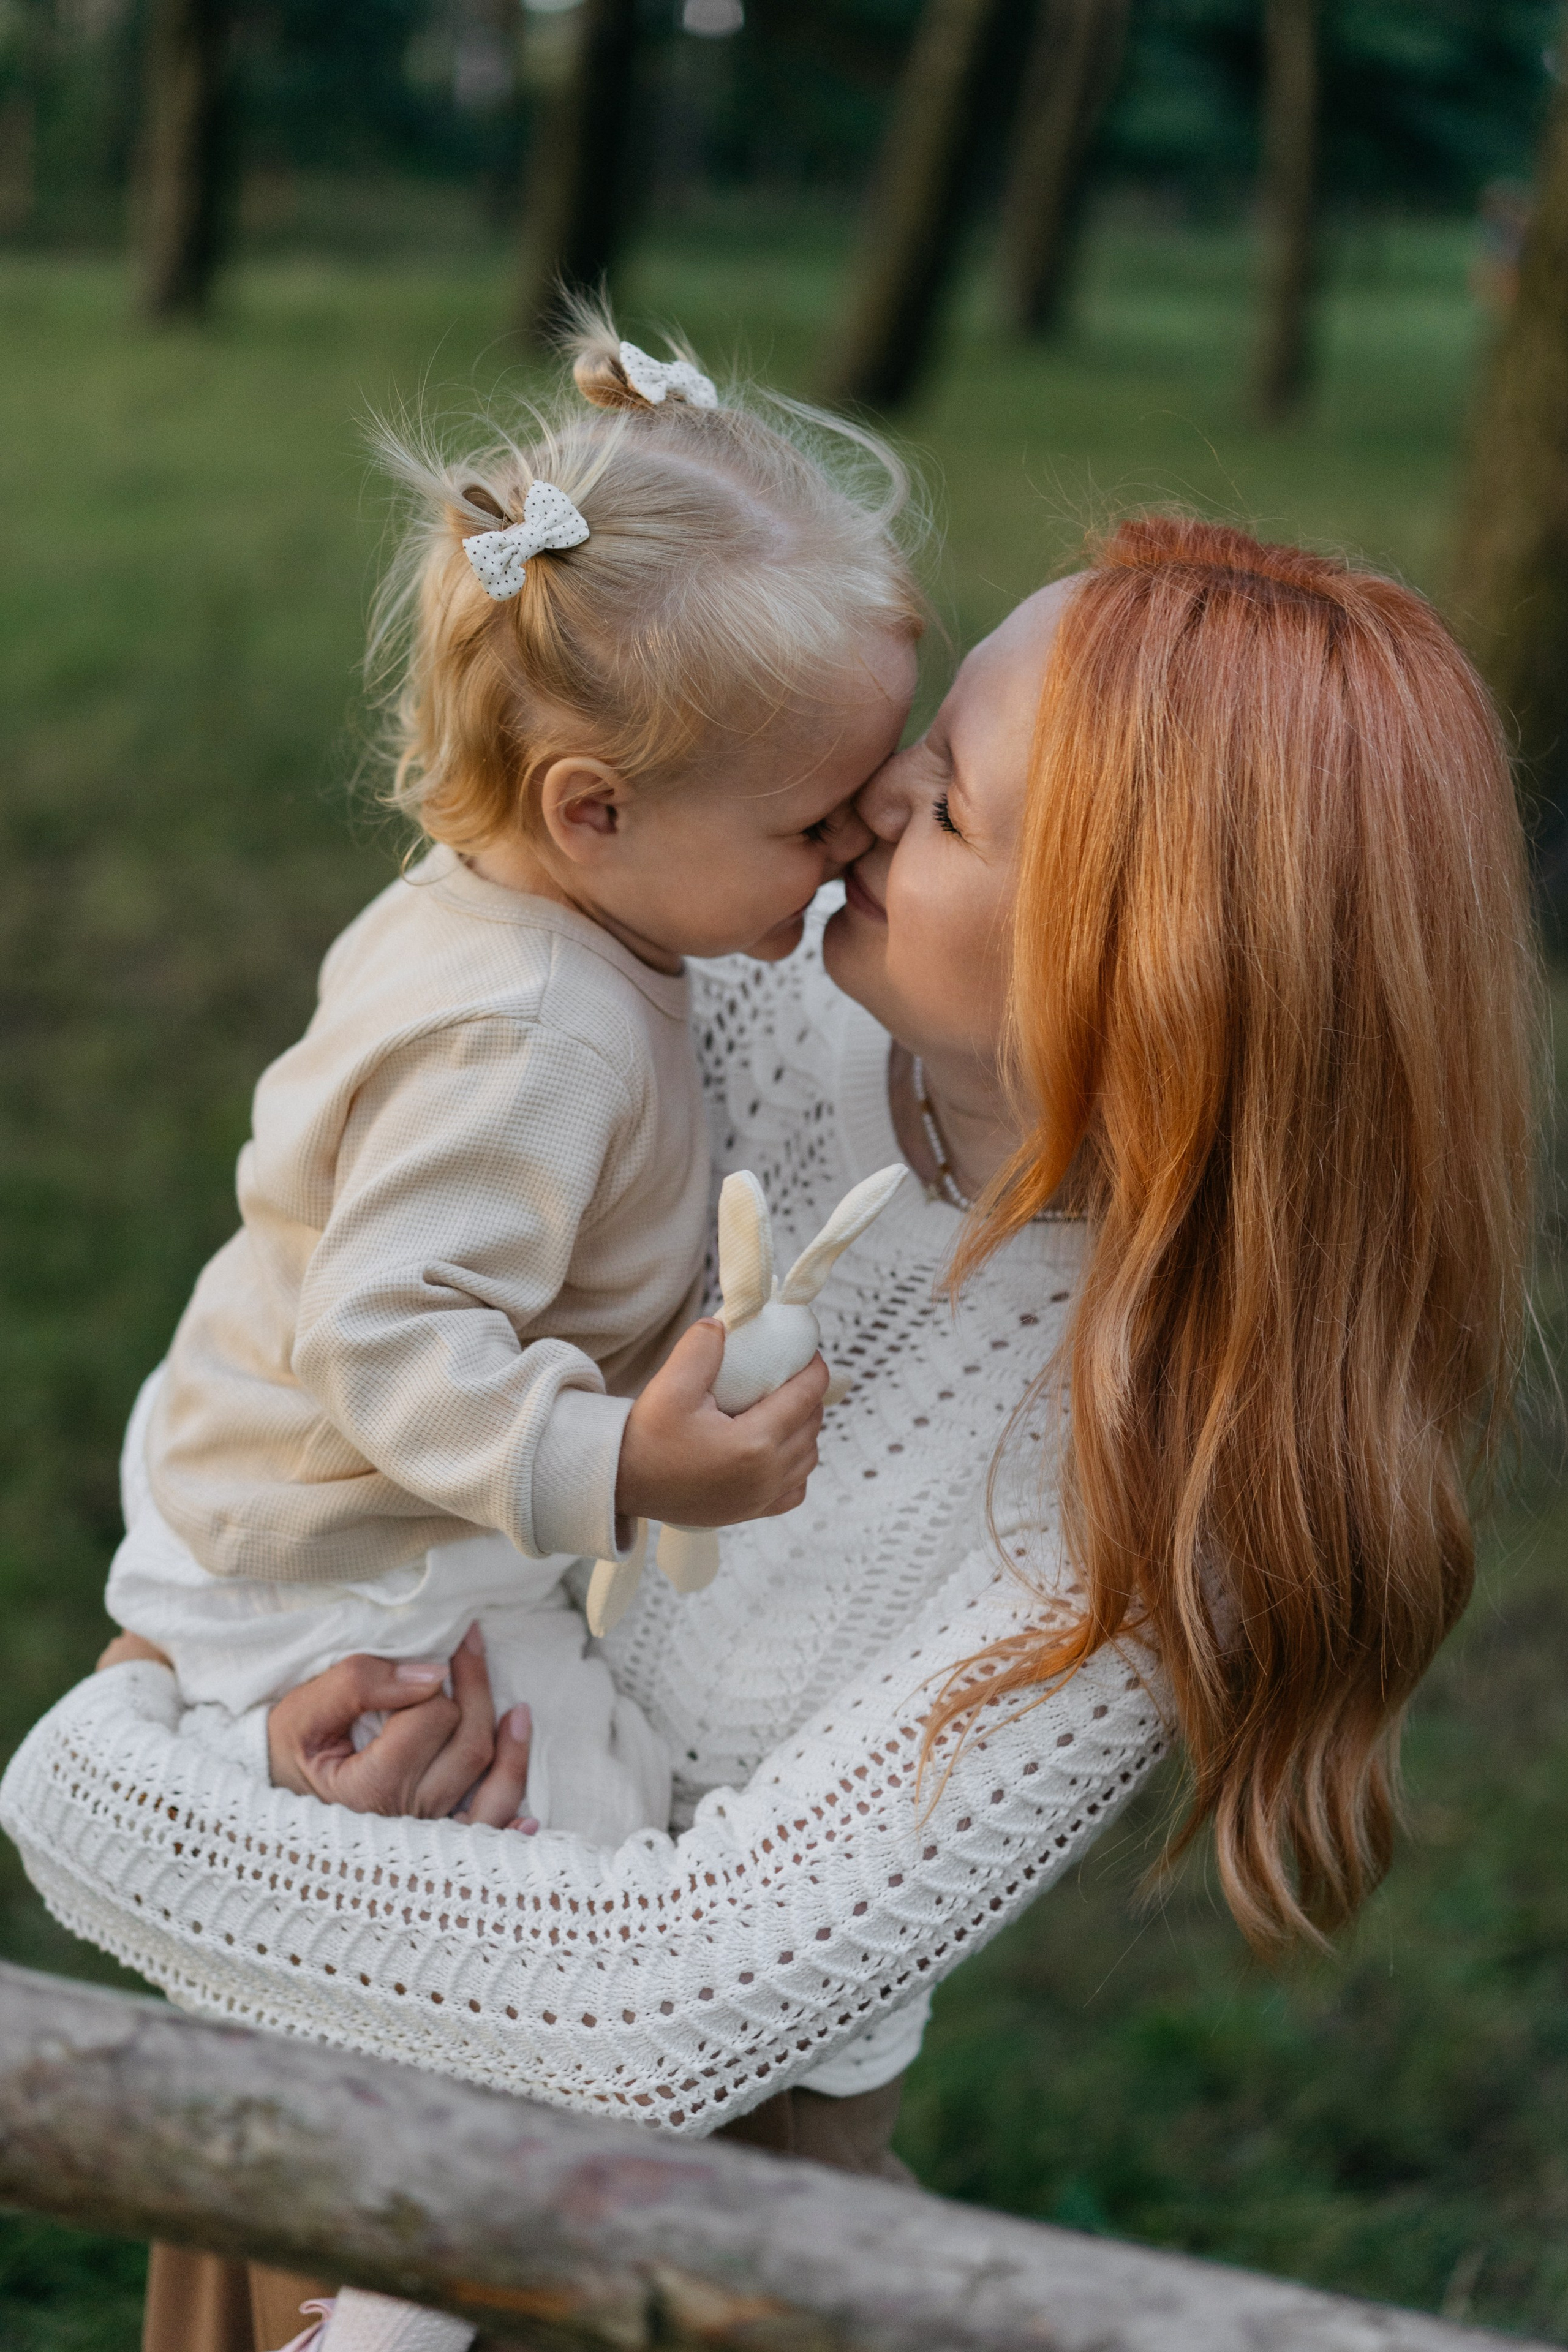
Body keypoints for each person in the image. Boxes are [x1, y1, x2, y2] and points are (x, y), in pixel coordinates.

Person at [2, 519, 1536, 2352]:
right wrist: (252, 1724)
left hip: (640, 2250)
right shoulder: (699, 989)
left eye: (953, 807)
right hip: (296, 2082)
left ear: (1159, 980)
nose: (873, 797)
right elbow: (303, 1388)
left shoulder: (1165, 1489)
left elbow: (667, 2008)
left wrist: (98, 1774)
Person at [94, 304, 924, 1877]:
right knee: (591, 1815)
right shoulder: (537, 1031)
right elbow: (381, 1336)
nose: (859, 839)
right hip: (346, 1555)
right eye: (815, 824)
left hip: (286, 1462)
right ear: (593, 811)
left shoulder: (533, 914)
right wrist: (621, 1466)